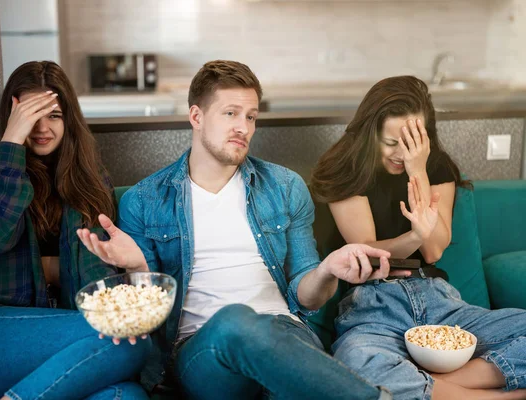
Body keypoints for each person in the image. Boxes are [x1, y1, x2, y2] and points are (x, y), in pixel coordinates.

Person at [77, 60, 412, 400]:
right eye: (231, 114)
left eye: (251, 116)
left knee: (268, 347)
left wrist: (327, 270)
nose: (244, 127)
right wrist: (136, 269)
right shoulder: (145, 200)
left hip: (284, 334)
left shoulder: (285, 186)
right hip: (201, 351)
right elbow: (145, 322)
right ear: (196, 117)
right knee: (236, 321)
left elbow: (306, 297)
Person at [310, 75, 526, 400]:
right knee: (355, 364)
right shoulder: (344, 168)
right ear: (370, 134)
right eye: (391, 143)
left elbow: (435, 249)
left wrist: (418, 171)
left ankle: (425, 384)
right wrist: (414, 236)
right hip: (374, 302)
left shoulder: (433, 167)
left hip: (439, 299)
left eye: (411, 143)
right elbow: (366, 253)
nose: (401, 153)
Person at [0, 61, 151, 400]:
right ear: (13, 116)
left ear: (68, 118)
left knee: (126, 395)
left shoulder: (90, 177)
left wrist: (131, 271)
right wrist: (12, 141)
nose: (42, 127)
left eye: (54, 115)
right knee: (131, 340)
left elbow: (99, 275)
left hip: (70, 343)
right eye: (31, 115)